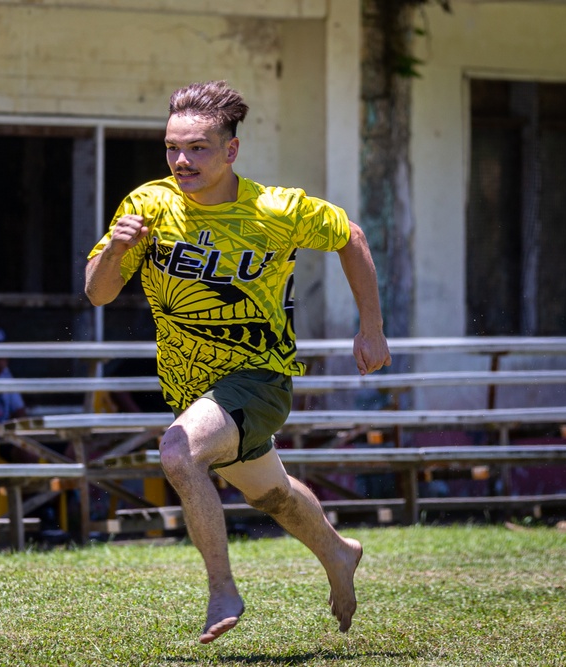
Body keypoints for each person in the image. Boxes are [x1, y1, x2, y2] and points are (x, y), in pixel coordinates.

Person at [84, 80, 391, 644]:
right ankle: (339, 552)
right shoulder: (147, 205)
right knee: (269, 493)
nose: (181, 160)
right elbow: (98, 293)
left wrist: (370, 329)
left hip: (259, 379)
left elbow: (351, 236)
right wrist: (116, 249)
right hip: (189, 389)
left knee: (178, 452)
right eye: (173, 147)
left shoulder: (276, 209)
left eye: (197, 147)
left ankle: (222, 587)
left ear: (231, 150)